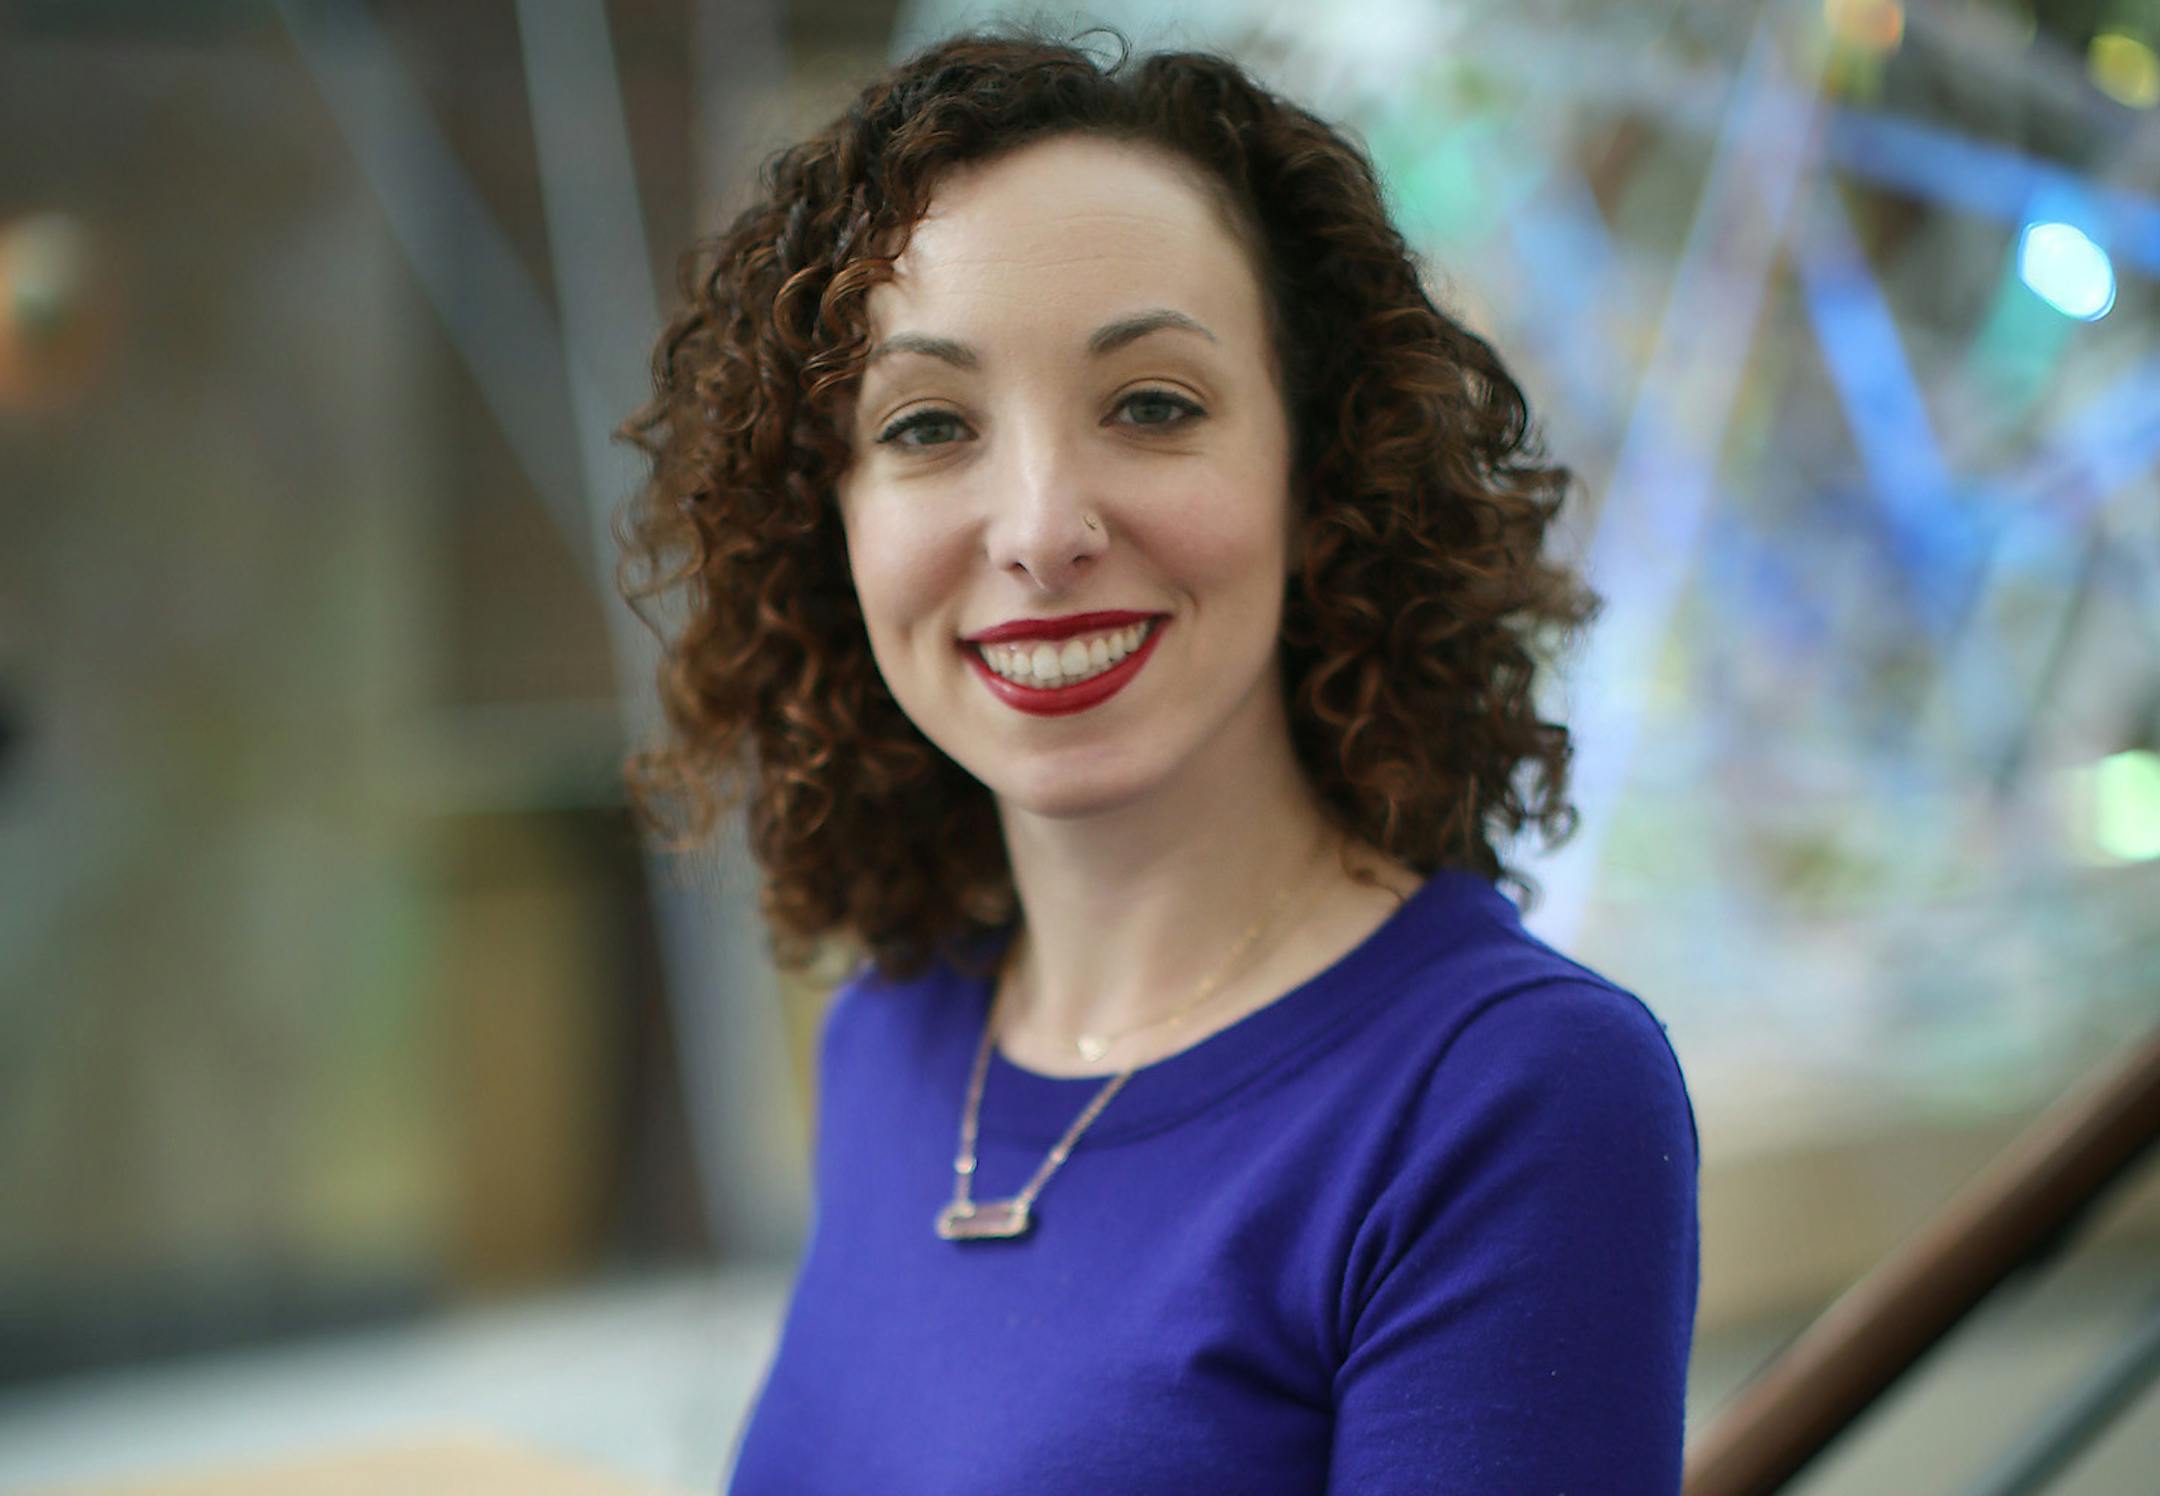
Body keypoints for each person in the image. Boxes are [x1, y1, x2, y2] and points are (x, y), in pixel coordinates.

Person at [615, 28, 1699, 1495]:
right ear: (837, 527)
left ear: (1322, 480)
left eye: (1152, 405)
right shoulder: (899, 1031)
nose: (1043, 527)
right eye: (931, 425)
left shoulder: (1512, 1096)